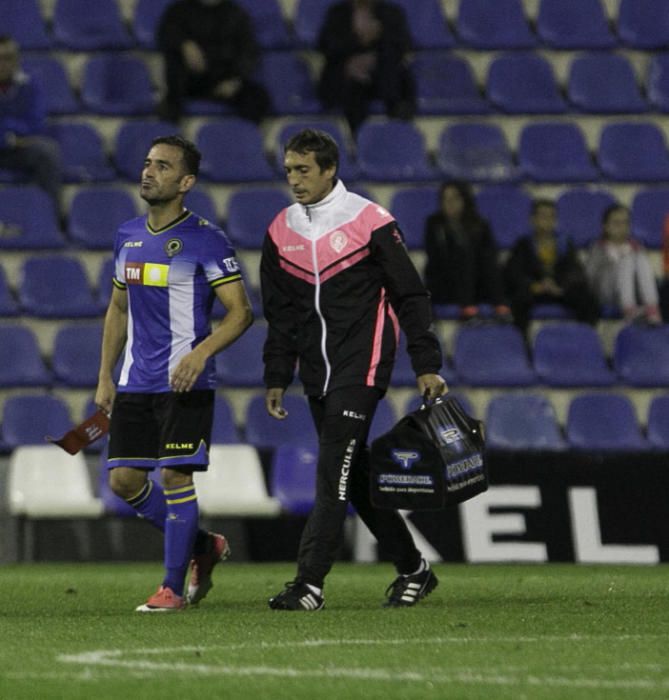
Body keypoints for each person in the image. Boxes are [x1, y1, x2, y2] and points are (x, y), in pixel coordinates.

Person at [261, 129, 446, 611]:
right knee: (356, 480)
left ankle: (309, 583)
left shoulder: (370, 221)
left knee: (331, 474)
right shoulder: (281, 231)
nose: (294, 180)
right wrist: (277, 374)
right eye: (289, 171)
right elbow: (281, 314)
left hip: (362, 367)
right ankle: (414, 568)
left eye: (303, 170)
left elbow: (411, 295)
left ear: (329, 170)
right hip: (316, 372)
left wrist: (425, 364)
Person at [94, 135, 253, 612]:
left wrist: (200, 354)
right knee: (122, 480)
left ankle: (170, 588)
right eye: (147, 164)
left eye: (162, 166)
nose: (149, 172)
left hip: (185, 382)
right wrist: (105, 376)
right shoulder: (127, 236)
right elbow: (118, 308)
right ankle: (202, 544)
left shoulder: (206, 240)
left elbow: (240, 312)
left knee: (175, 478)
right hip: (135, 381)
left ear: (186, 182)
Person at [156, 0, 270, 124]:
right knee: (174, 60)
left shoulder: (235, 13)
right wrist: (184, 44)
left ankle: (242, 139)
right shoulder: (179, 10)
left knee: (257, 98)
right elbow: (165, 34)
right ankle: (171, 132)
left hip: (224, 81)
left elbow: (248, 51)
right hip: (189, 80)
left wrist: (236, 79)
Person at [317, 0, 415, 133]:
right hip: (347, 77)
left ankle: (398, 126)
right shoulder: (337, 13)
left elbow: (402, 46)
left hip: (382, 75)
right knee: (353, 87)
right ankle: (358, 138)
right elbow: (325, 47)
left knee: (397, 72)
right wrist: (355, 38)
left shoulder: (391, 12)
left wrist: (376, 42)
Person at [504, 198, 599, 335]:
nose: (547, 221)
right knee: (518, 300)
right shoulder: (523, 244)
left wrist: (561, 287)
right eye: (543, 216)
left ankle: (584, 341)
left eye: (551, 216)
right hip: (534, 290)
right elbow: (514, 272)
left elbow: (575, 271)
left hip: (558, 290)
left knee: (588, 300)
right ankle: (521, 346)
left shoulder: (564, 243)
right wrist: (534, 286)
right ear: (533, 219)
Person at [423, 180, 512, 322]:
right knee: (464, 255)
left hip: (476, 281)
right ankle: (468, 307)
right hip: (445, 282)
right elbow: (434, 258)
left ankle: (499, 304)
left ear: (465, 200)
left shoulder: (479, 223)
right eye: (445, 199)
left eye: (454, 198)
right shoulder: (434, 224)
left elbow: (489, 253)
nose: (450, 203)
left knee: (488, 260)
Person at [0, 35, 62, 216]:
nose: (3, 64)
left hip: (20, 151)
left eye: (8, 58)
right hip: (15, 143)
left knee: (47, 151)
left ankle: (51, 220)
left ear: (17, 60)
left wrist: (6, 132)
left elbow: (35, 124)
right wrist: (9, 137)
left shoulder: (31, 86)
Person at [586, 204, 662, 325]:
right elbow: (590, 278)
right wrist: (614, 265)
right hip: (606, 293)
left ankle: (652, 308)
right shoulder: (598, 248)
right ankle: (629, 309)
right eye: (616, 223)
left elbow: (643, 277)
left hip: (634, 291)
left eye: (625, 223)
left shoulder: (636, 246)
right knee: (627, 259)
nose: (622, 227)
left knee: (640, 257)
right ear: (605, 226)